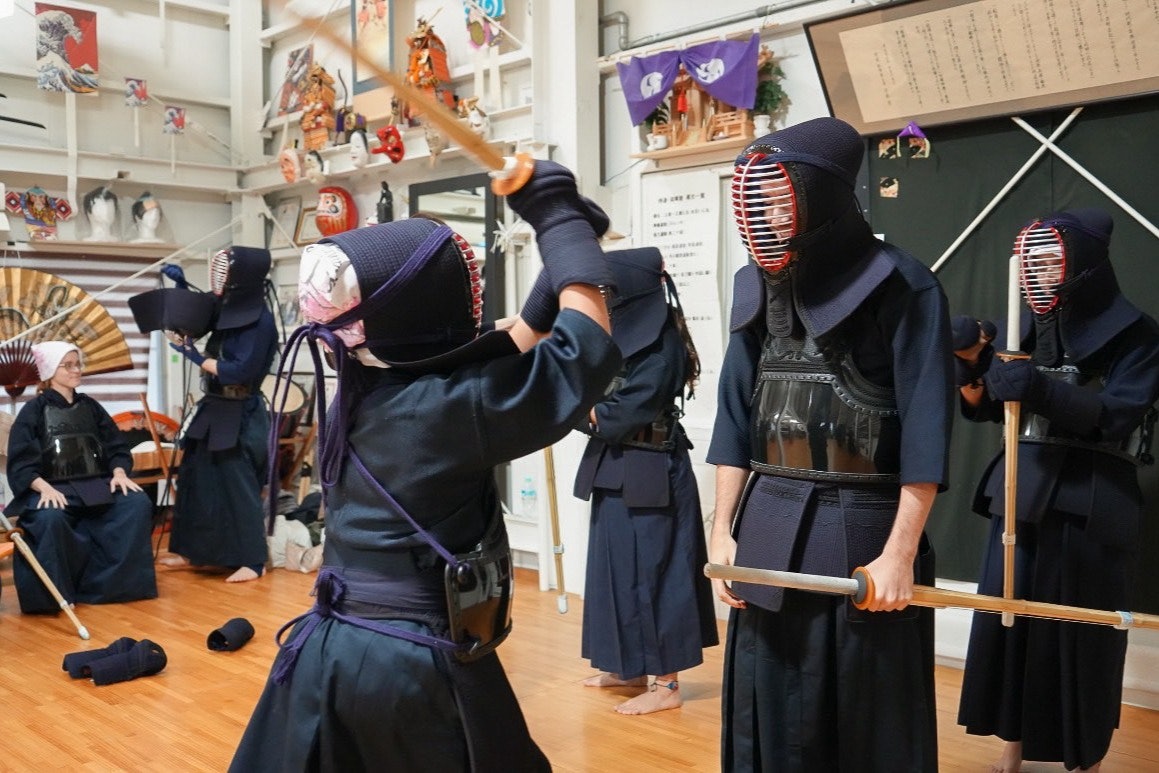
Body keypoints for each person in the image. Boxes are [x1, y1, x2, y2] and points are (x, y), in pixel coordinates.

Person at [230, 160, 621, 772]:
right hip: (412, 660)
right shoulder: (445, 411)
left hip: (335, 648)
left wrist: (570, 244)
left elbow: (516, 335)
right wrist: (557, 218)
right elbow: (585, 352)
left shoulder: (363, 383)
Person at [706, 117, 952, 771]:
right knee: (767, 716)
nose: (768, 218)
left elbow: (927, 433)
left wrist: (898, 554)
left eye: (780, 201)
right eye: (759, 204)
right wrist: (721, 531)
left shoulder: (905, 285)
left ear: (821, 198)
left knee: (863, 726)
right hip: (765, 526)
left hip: (864, 536)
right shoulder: (755, 288)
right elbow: (733, 419)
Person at [954, 208, 1159, 773]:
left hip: (1093, 498)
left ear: (1083, 265)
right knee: (1011, 623)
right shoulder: (1019, 328)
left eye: (1051, 261)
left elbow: (1116, 415)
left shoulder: (1140, 336)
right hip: (1023, 489)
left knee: (1080, 633)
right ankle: (1013, 740)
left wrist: (1040, 390)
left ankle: (1084, 754)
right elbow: (987, 408)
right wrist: (971, 371)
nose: (1039, 274)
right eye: (1032, 262)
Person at [573, 246, 718, 715]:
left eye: (608, 289)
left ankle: (667, 684)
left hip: (653, 470)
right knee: (614, 572)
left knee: (658, 575)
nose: (603, 298)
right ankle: (627, 667)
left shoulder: (663, 345)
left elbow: (617, 415)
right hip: (617, 468)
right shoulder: (619, 339)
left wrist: (573, 402)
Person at [3, 341, 157, 613]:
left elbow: (116, 447)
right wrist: (43, 488)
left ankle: (114, 588)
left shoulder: (92, 407)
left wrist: (119, 472)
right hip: (51, 488)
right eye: (68, 365)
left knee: (136, 503)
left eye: (78, 364)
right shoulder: (32, 411)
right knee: (50, 518)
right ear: (50, 371)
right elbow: (21, 463)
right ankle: (59, 596)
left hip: (95, 485)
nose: (77, 370)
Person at [160, 246, 279, 583]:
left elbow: (239, 370)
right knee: (196, 476)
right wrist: (181, 286)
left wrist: (196, 357)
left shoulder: (261, 322)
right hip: (214, 406)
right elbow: (197, 320)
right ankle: (192, 551)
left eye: (225, 271)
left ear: (242, 277)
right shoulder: (228, 308)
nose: (219, 278)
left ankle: (253, 560)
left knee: (237, 483)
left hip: (241, 411)